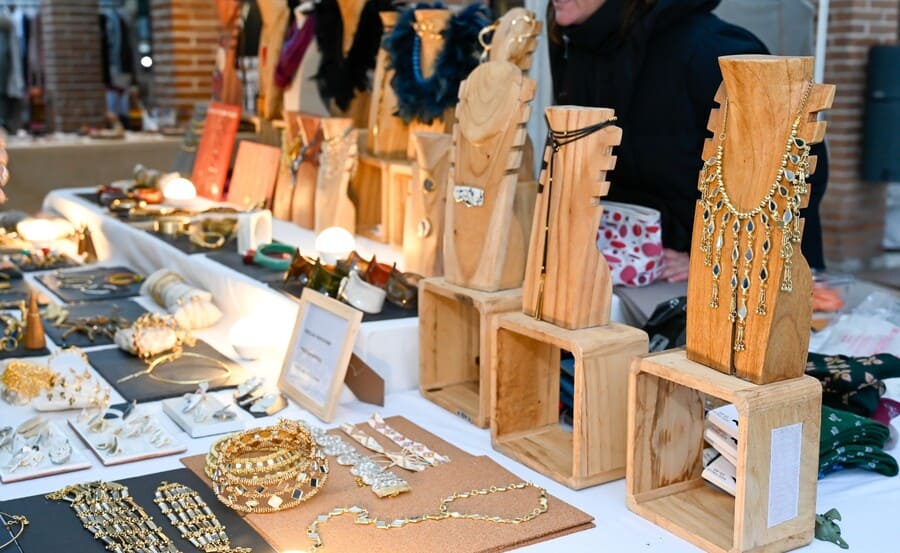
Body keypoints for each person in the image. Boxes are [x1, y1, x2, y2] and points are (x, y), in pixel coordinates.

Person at [547, 0, 828, 281]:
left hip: (737, 283)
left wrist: (722, 256)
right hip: (634, 273)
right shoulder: (579, 46)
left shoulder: (709, 48)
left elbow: (797, 165)